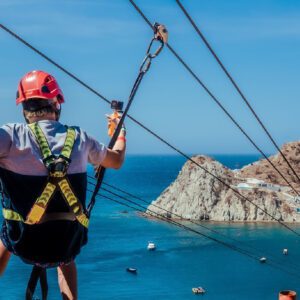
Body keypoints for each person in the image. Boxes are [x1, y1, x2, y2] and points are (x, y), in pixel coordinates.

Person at [0, 70, 126, 299]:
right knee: (66, 257)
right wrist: (120, 131)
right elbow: (116, 160)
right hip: (67, 242)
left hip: (23, 242)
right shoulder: (81, 138)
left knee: (4, 238)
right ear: (57, 104)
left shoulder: (11, 137)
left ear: (24, 109)